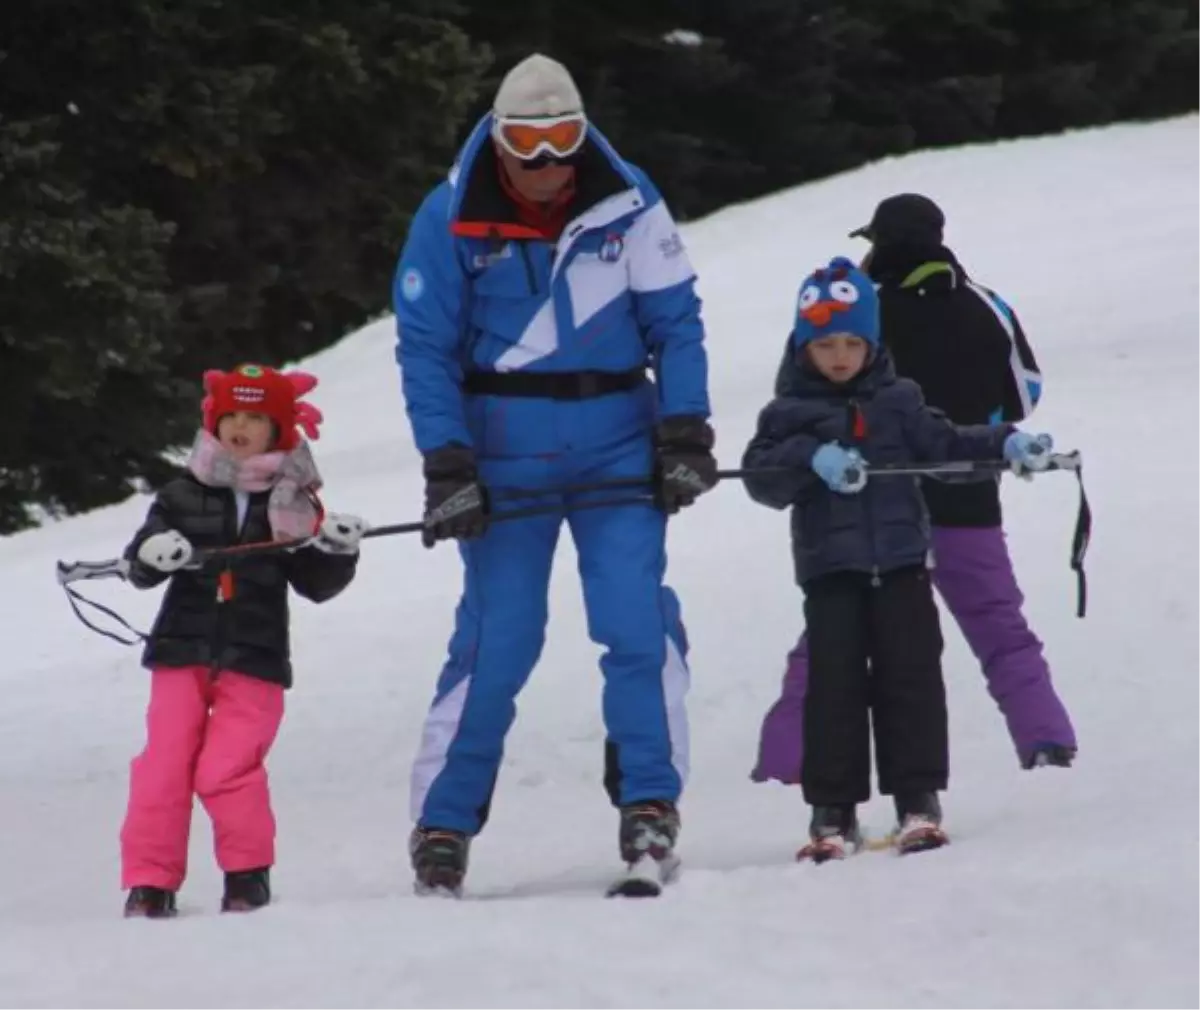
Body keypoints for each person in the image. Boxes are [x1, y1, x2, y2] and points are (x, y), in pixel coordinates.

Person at [391, 53, 716, 895]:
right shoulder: (451, 213)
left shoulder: (629, 200)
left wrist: (684, 431)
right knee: (500, 639)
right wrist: (447, 460)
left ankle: (649, 801)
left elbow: (676, 321)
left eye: (563, 141)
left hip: (617, 442)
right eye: (527, 145)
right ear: (500, 141)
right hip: (504, 455)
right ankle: (444, 822)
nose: (545, 165)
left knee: (634, 624)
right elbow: (425, 346)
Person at [752, 194, 1077, 787]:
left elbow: (795, 398)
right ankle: (1047, 740)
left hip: (869, 502)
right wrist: (994, 431)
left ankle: (783, 763)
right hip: (965, 493)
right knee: (999, 624)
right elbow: (1026, 392)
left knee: (830, 643)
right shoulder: (984, 304)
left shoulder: (852, 313)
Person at [119, 364, 366, 917]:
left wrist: (336, 551)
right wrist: (153, 554)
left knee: (226, 768)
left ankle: (246, 875)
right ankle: (150, 881)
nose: (239, 427)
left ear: (278, 429)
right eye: (230, 415)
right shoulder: (182, 493)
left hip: (254, 657)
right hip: (181, 652)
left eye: (255, 418)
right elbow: (141, 565)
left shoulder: (295, 501)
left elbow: (315, 585)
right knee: (164, 765)